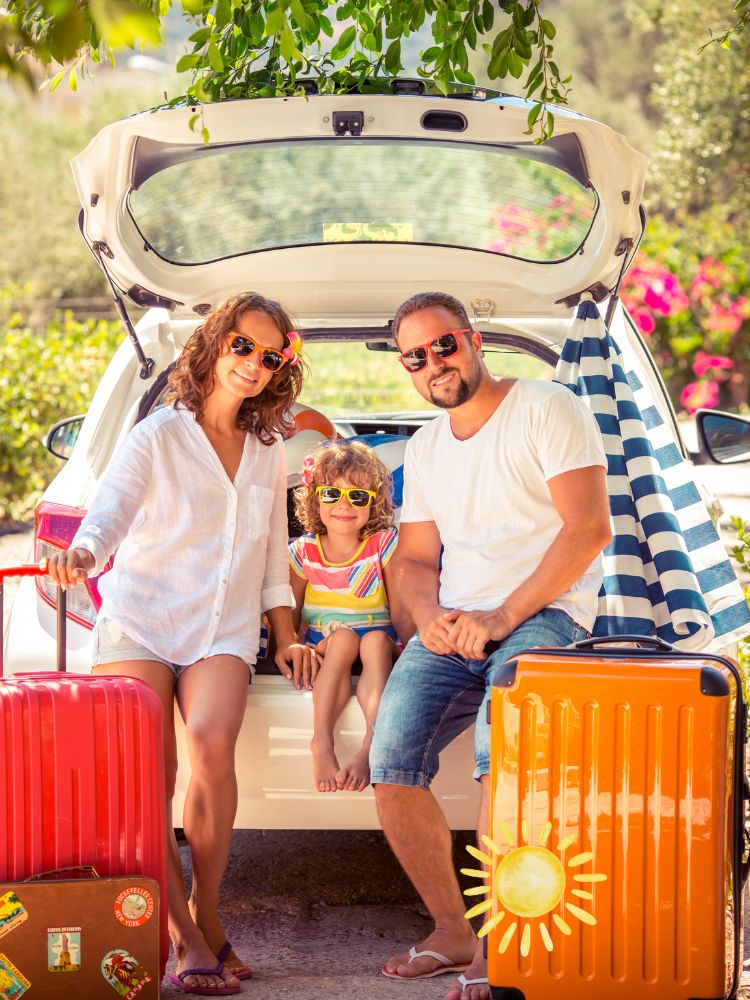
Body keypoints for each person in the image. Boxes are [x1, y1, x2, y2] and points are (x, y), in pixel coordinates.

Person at [42, 292, 314, 997]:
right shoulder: (159, 433)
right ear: (216, 344)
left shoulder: (268, 448)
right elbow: (108, 515)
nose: (253, 364)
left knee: (214, 745)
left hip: (221, 624)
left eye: (268, 355)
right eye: (241, 347)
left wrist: (283, 633)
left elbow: (269, 555)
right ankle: (181, 934)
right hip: (140, 617)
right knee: (147, 775)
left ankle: (207, 910)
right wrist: (84, 554)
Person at [371, 292, 612, 1000]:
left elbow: (587, 530)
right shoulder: (426, 446)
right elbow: (411, 561)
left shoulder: (548, 407)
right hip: (459, 624)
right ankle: (453, 932)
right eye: (414, 357)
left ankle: (505, 945)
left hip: (545, 616)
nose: (432, 365)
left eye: (443, 345)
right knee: (391, 760)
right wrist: (432, 615)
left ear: (473, 340)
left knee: (497, 761)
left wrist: (503, 615)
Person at [289, 440, 408, 793]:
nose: (344, 505)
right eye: (331, 494)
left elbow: (400, 606)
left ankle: (372, 745)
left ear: (374, 504)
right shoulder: (304, 551)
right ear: (315, 499)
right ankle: (321, 742)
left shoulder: (383, 545)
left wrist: (412, 646)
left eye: (358, 497)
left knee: (371, 642)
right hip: (327, 643)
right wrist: (295, 647)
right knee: (343, 641)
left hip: (378, 640)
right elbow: (291, 612)